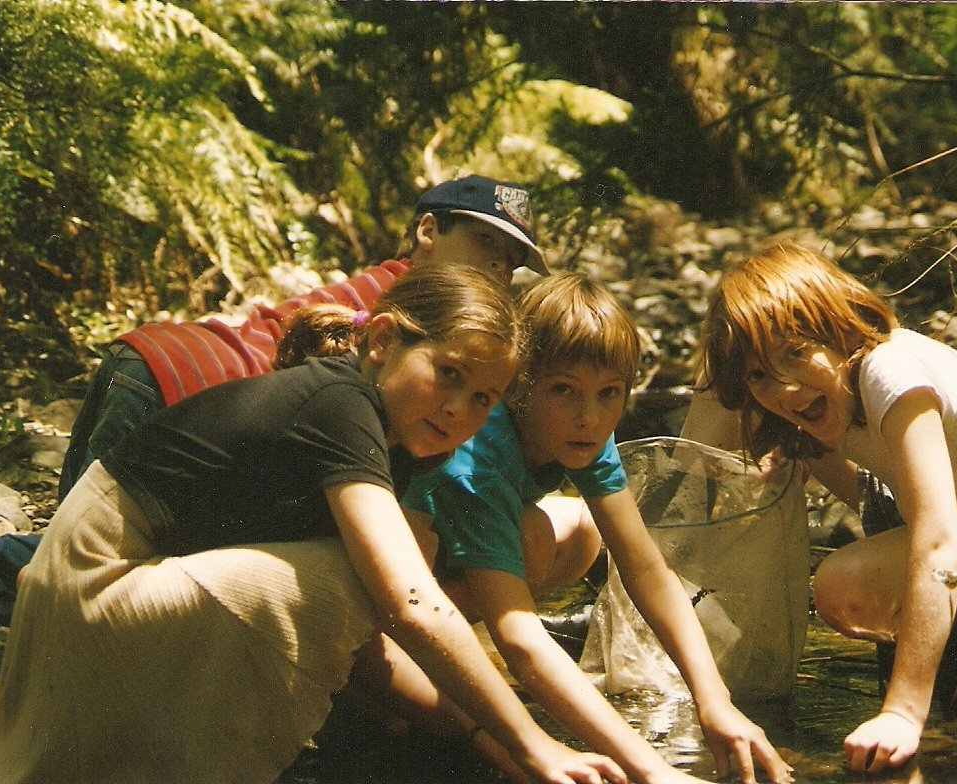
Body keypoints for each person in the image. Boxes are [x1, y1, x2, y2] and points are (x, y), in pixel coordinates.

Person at [0, 263, 625, 784]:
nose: (457, 410)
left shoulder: (396, 441)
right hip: (95, 585)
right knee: (373, 568)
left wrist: (478, 736)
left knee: (384, 562)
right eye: (446, 375)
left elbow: (367, 651)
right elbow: (409, 604)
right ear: (382, 341)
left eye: (481, 398)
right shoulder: (343, 403)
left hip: (109, 601)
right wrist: (536, 744)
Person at [0, 173, 550, 638]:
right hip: (179, 382)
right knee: (70, 568)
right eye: (483, 242)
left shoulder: (404, 302)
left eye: (509, 260)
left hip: (155, 360)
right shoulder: (411, 317)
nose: (496, 267)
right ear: (427, 231)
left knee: (64, 564)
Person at [340, 272, 794, 784]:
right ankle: (377, 688)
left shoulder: (584, 426)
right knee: (491, 743)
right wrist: (653, 771)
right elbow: (522, 643)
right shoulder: (476, 462)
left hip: (433, 572)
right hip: (376, 605)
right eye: (564, 391)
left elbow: (646, 567)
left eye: (609, 394)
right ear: (519, 390)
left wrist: (715, 701)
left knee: (575, 533)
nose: (589, 417)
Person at [698, 242, 957, 774]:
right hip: (916, 502)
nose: (781, 386)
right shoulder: (817, 393)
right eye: (758, 374)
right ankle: (941, 625)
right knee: (782, 426)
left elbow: (938, 542)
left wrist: (902, 713)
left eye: (796, 352)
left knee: (841, 588)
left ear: (843, 330)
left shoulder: (890, 372)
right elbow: (727, 400)